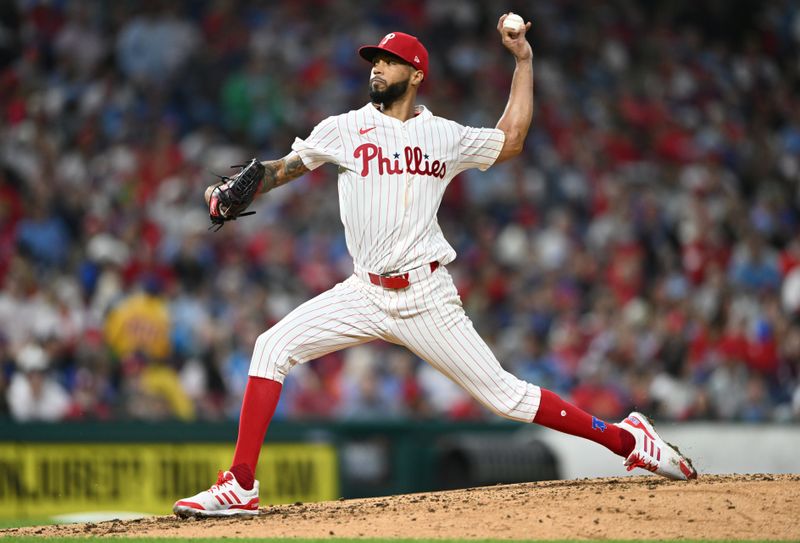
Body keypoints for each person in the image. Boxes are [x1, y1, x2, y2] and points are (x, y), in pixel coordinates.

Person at [173, 13, 696, 518]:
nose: (376, 67)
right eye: (373, 60)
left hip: (426, 296)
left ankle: (628, 439)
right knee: (271, 346)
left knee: (508, 398)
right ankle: (240, 484)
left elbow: (511, 140)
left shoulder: (443, 135)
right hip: (363, 292)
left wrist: (523, 62)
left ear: (416, 73)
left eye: (389, 61)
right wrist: (232, 192)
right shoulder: (344, 128)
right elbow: (283, 169)